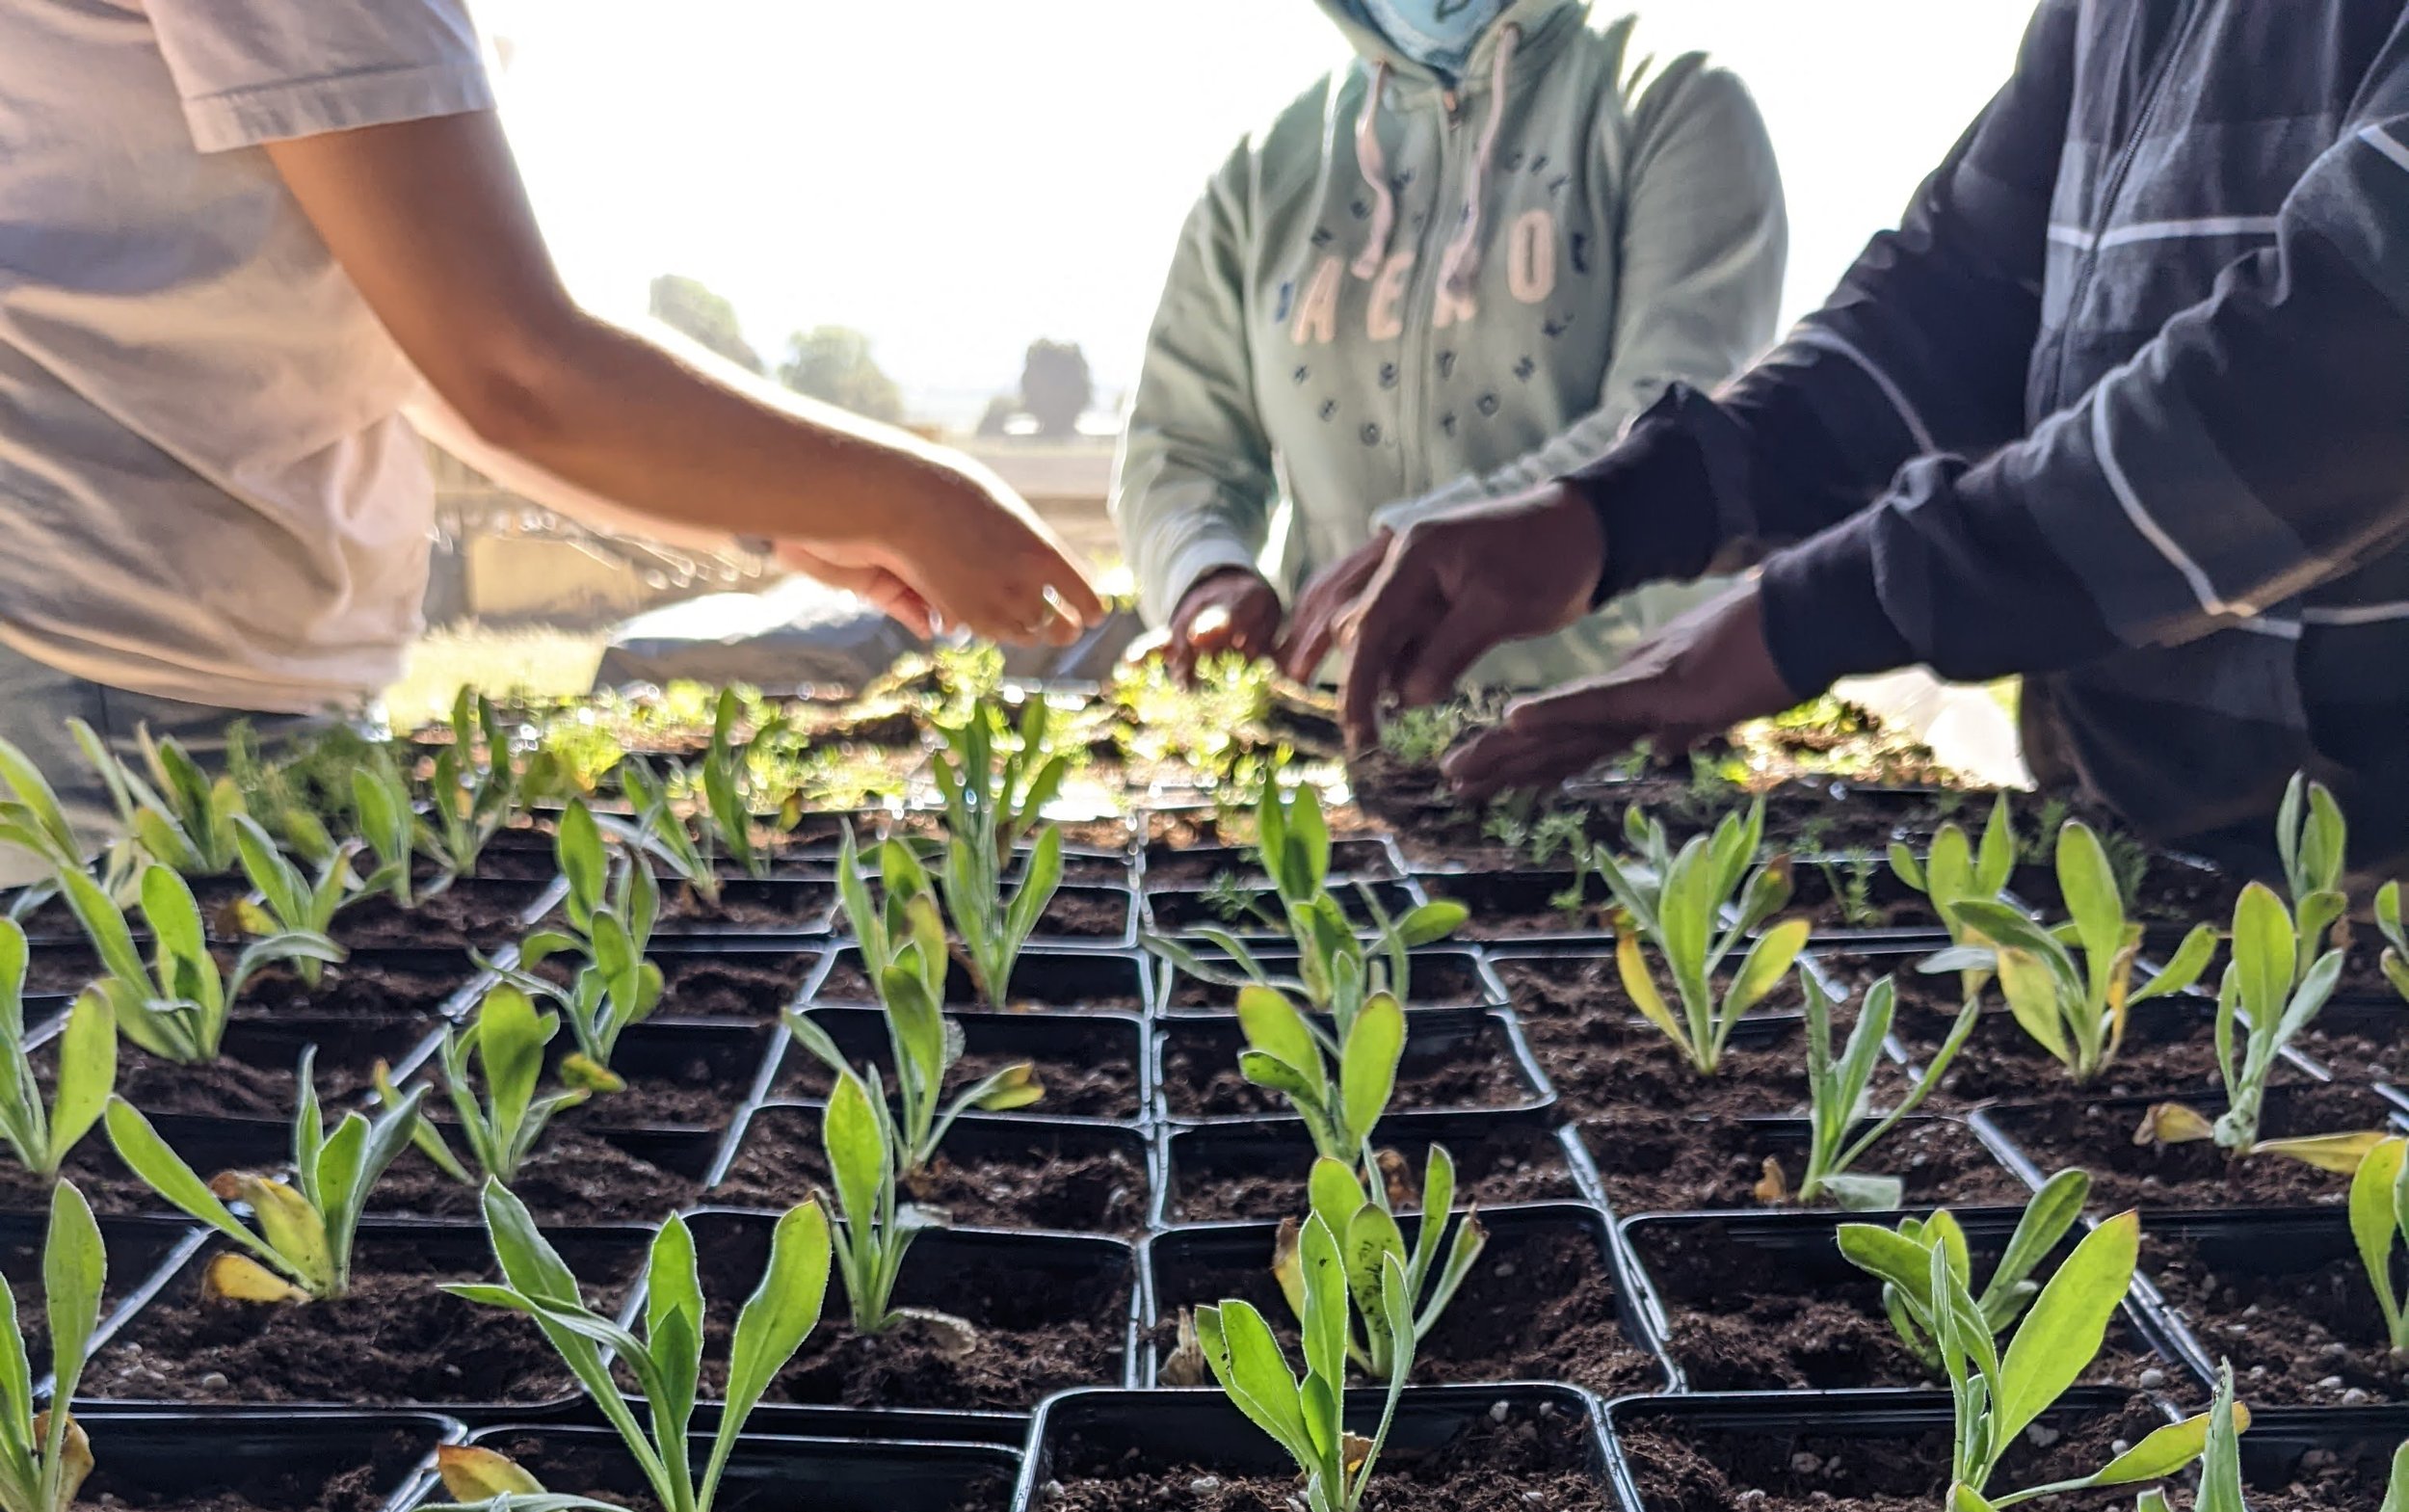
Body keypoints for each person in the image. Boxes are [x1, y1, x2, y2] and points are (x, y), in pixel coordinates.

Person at [1311, 0, 2409, 867]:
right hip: (2134, 854)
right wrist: (1617, 514)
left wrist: (1836, 605)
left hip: (2372, 899)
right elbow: (1954, 302)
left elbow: (2337, 373)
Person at [0, 0, 1101, 847]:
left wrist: (766, 517)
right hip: (116, 684)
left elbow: (420, 348)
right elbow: (511, 366)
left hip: (152, 674)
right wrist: (916, 497)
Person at [1116, 0, 1785, 700]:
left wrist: (1427, 554)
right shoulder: (1262, 171)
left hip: (1617, 734)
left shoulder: (1671, 100)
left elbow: (1675, 419)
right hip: (1331, 734)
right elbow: (1180, 447)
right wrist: (1206, 572)